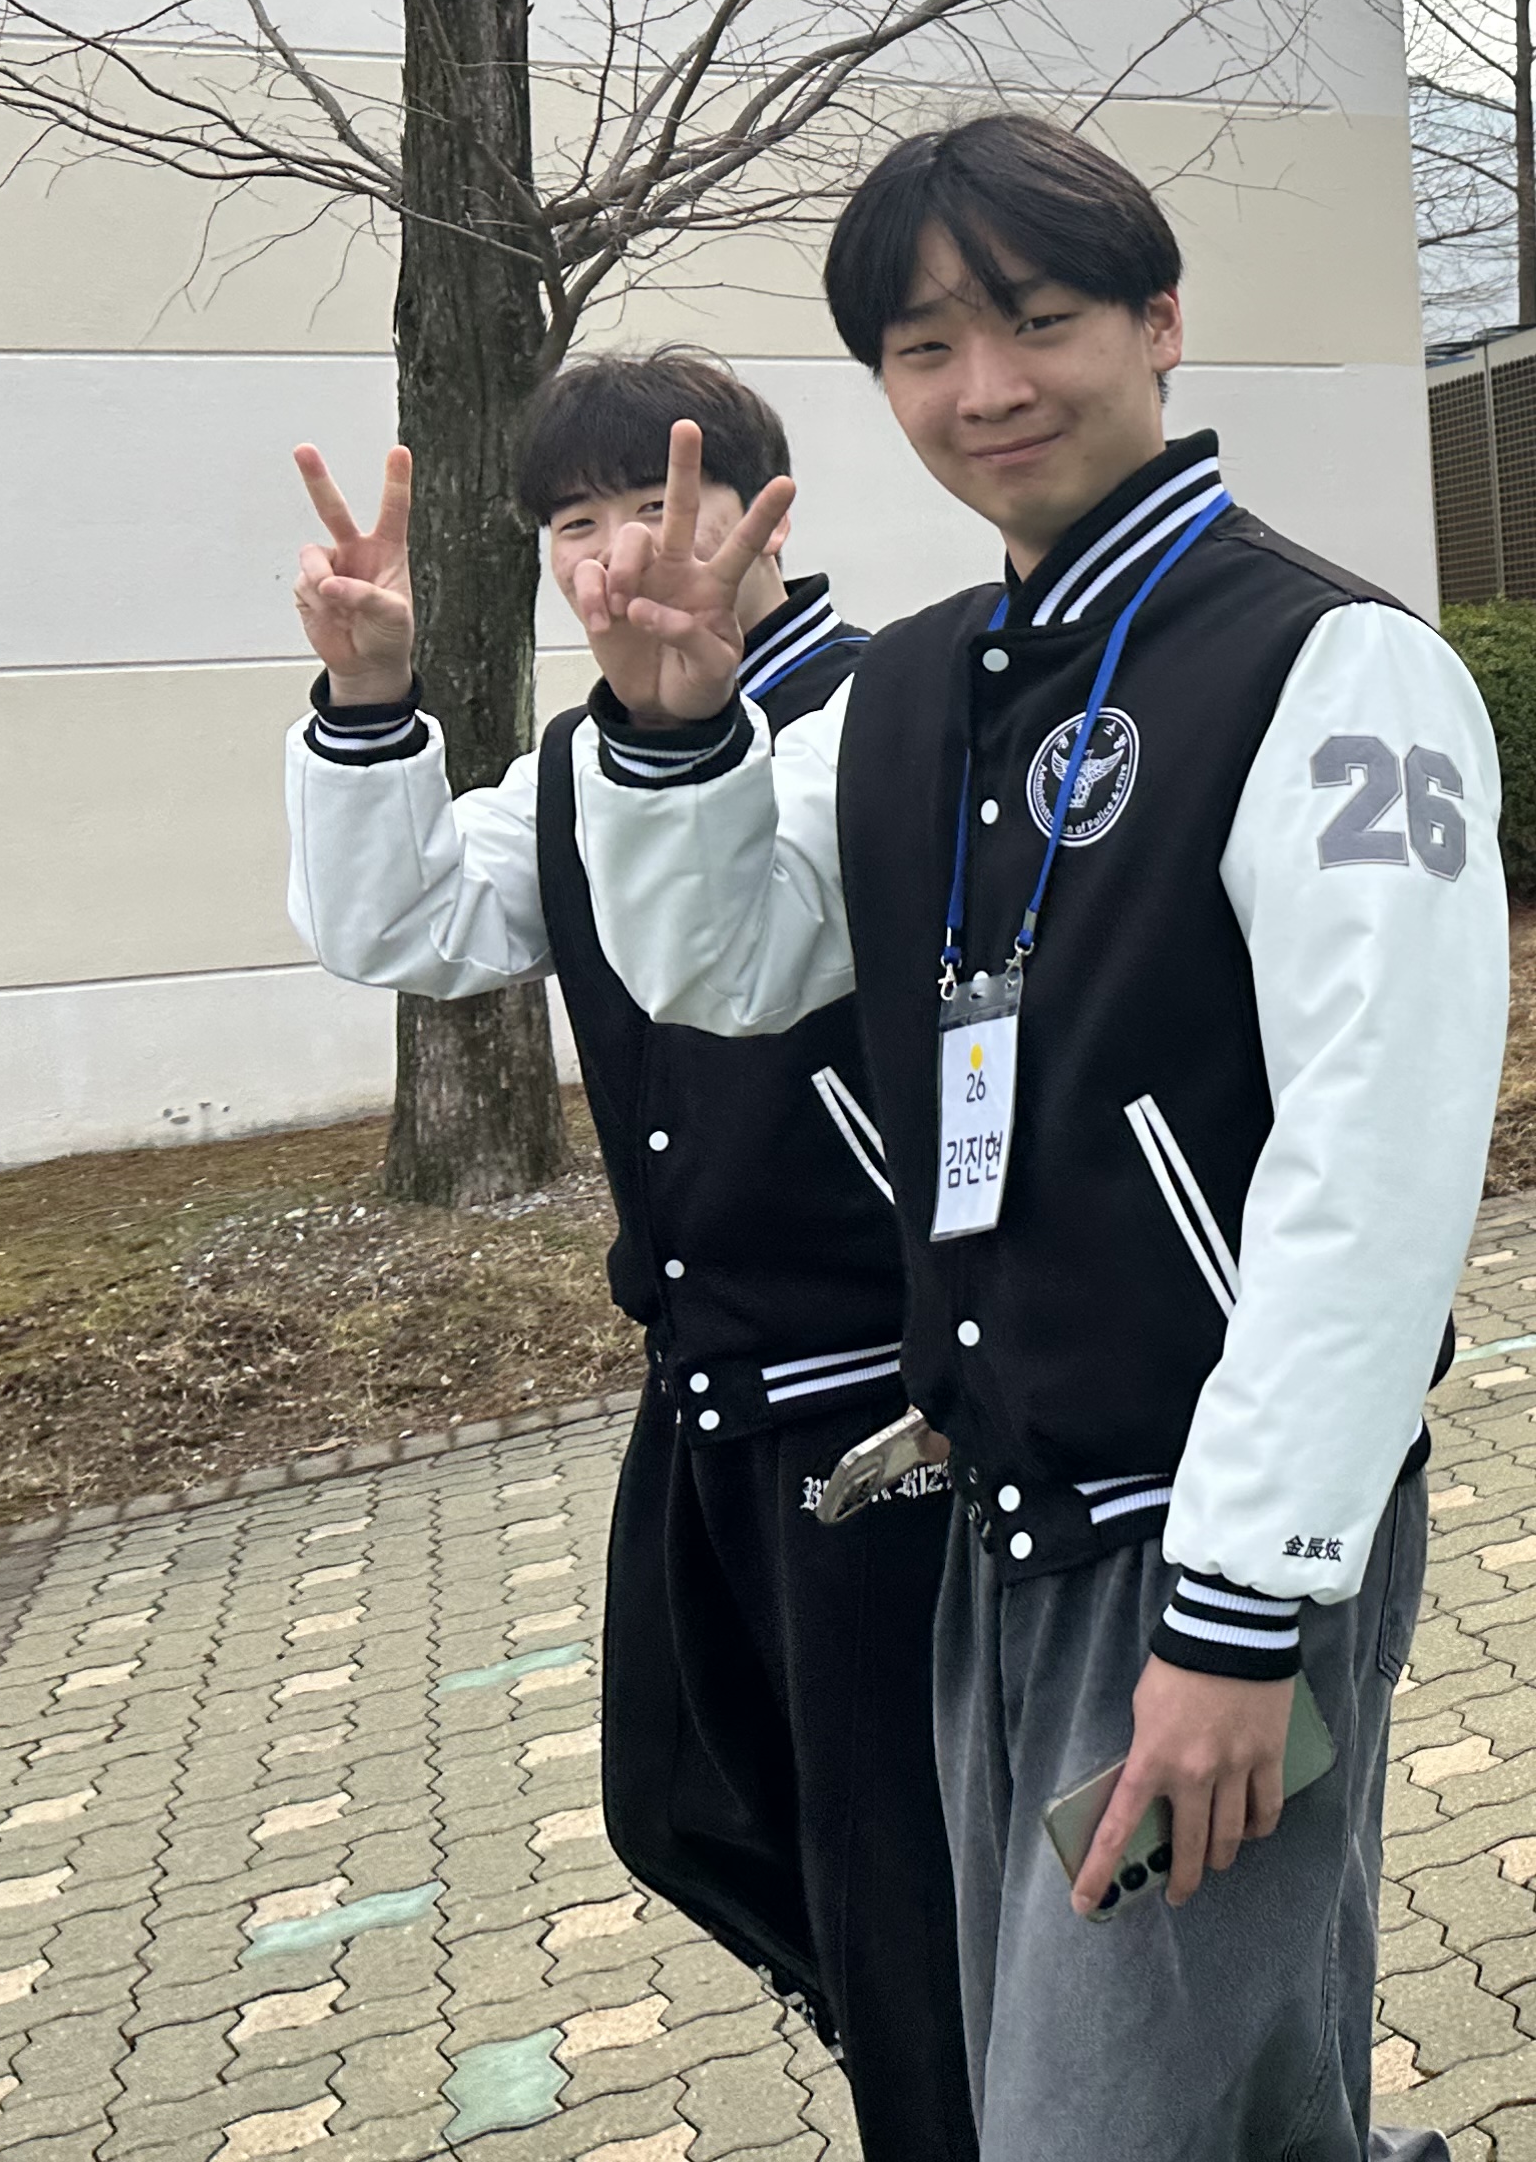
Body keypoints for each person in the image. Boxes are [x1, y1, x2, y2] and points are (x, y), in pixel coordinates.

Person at [568, 116, 1507, 2162]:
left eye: (1040, 321)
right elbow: (723, 959)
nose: (985, 387)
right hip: (999, 1514)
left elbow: (1379, 1162)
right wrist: (671, 734)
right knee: (1207, 2092)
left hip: (1214, 1531)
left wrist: (1242, 1610)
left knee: (1099, 2115)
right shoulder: (914, 690)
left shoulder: (1331, 666)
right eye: (923, 348)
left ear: (1160, 324)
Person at [282, 356, 972, 2162]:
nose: (609, 555)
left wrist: (687, 736)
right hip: (705, 1374)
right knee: (677, 1800)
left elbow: (763, 951)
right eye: (572, 524)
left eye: (652, 508)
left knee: (899, 1867)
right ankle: (968, 2041)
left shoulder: (882, 715)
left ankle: (979, 2075)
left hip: (876, 1384)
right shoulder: (585, 758)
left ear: (761, 517)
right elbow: (405, 921)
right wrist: (369, 696)